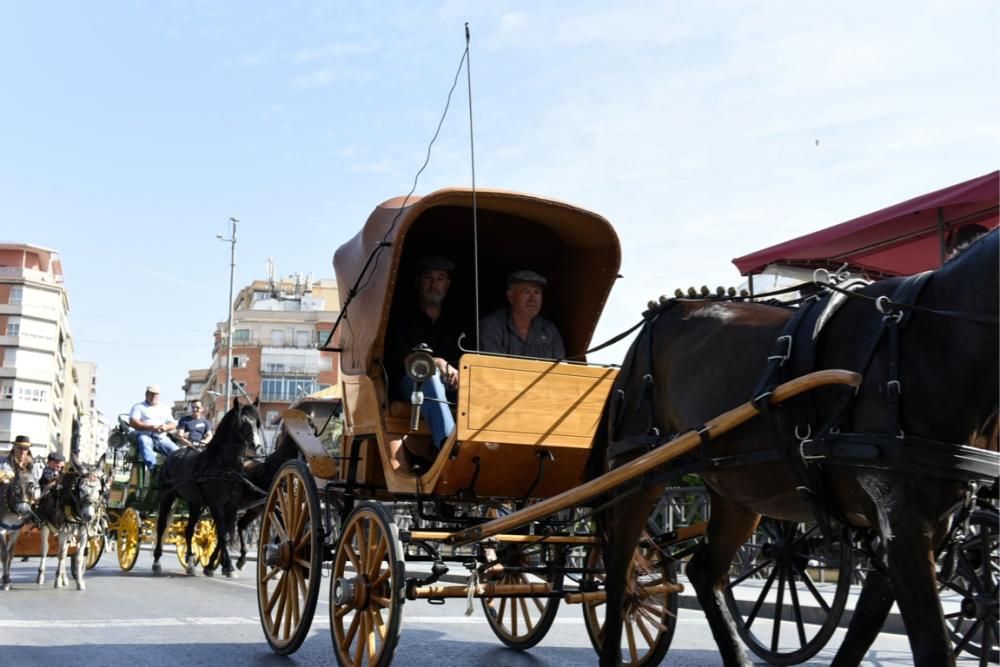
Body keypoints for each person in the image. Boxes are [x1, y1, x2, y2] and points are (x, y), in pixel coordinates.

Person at [385, 255, 464, 469]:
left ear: (447, 285)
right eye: (428, 278)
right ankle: (447, 448)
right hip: (411, 386)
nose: (433, 284)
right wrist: (437, 362)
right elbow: (405, 360)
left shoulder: (457, 323)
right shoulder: (401, 319)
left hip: (454, 387)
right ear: (417, 282)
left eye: (440, 279)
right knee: (429, 377)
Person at [479, 270, 565, 359]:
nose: (532, 299)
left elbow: (560, 369)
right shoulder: (492, 326)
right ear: (511, 297)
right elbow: (492, 368)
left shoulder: (549, 331)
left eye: (537, 292)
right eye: (526, 292)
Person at [129, 384, 179, 471]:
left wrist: (165, 427)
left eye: (156, 394)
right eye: (151, 394)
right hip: (144, 435)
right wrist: (150, 427)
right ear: (146, 394)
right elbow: (133, 422)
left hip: (160, 437)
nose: (153, 396)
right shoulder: (138, 407)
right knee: (144, 442)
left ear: (159, 395)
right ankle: (154, 471)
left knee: (177, 452)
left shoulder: (164, 408)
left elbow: (173, 424)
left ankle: (175, 473)